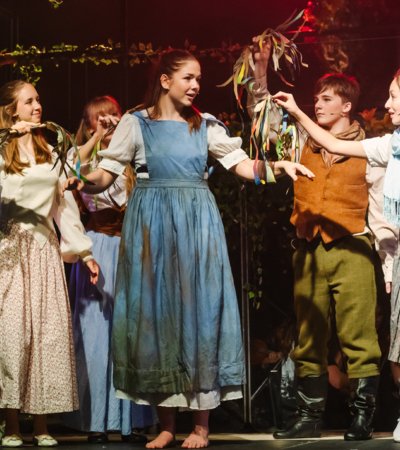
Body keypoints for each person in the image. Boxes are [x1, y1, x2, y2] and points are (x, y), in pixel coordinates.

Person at [63, 49, 314, 449]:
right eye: (188, 78)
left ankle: (200, 426)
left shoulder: (206, 125)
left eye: (199, 78)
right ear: (165, 80)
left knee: (198, 313)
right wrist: (81, 182)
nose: (196, 85)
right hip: (152, 227)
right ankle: (166, 424)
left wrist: (276, 167)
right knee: (159, 316)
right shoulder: (136, 122)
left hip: (197, 224)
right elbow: (105, 172)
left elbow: (241, 165)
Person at [247, 40, 396, 441]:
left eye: (326, 99)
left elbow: (382, 208)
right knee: (309, 335)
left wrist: (386, 260)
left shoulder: (368, 148)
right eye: (316, 99)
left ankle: (362, 416)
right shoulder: (300, 141)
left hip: (353, 248)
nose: (318, 104)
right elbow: (263, 119)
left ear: (347, 106)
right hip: (309, 250)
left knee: (359, 336)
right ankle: (308, 416)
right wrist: (260, 73)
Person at [0, 80, 99, 447]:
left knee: (45, 337)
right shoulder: (1, 153)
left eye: (39, 99)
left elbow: (64, 208)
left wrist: (85, 253)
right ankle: (11, 425)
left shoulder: (49, 151)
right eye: (29, 101)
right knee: (12, 336)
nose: (38, 105)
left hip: (42, 252)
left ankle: (41, 426)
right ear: (12, 110)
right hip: (8, 251)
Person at [64, 96, 156, 443]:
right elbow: (72, 168)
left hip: (132, 248)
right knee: (97, 335)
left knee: (133, 334)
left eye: (114, 115)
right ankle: (96, 422)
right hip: (98, 247)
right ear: (88, 125)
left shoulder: (130, 157)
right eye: (100, 119)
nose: (109, 122)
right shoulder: (84, 158)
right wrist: (94, 139)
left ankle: (133, 420)